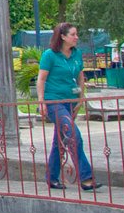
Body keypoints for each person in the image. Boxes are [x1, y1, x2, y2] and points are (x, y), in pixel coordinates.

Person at [38, 22, 101, 191]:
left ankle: (51, 177)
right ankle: (86, 177)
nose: (76, 37)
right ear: (63, 37)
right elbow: (41, 79)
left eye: (76, 34)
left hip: (70, 101)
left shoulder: (77, 54)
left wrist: (81, 98)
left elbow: (80, 76)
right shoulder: (50, 55)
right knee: (74, 135)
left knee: (60, 141)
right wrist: (42, 101)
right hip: (55, 101)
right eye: (73, 34)